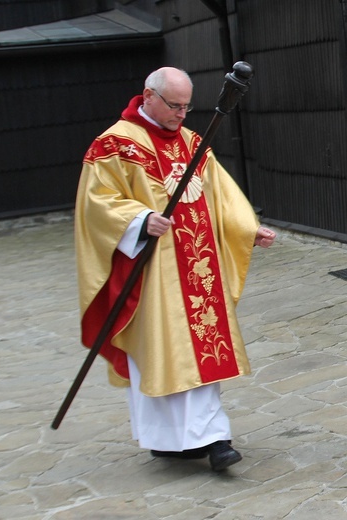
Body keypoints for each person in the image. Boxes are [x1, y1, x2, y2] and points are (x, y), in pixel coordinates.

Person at [75, 66, 276, 472]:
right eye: (174, 106)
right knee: (163, 352)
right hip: (154, 275)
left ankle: (214, 437)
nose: (182, 114)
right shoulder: (114, 145)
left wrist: (248, 227)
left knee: (201, 350)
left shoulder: (193, 142)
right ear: (148, 96)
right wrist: (139, 220)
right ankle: (170, 440)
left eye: (187, 106)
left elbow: (220, 193)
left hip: (199, 269)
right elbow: (97, 203)